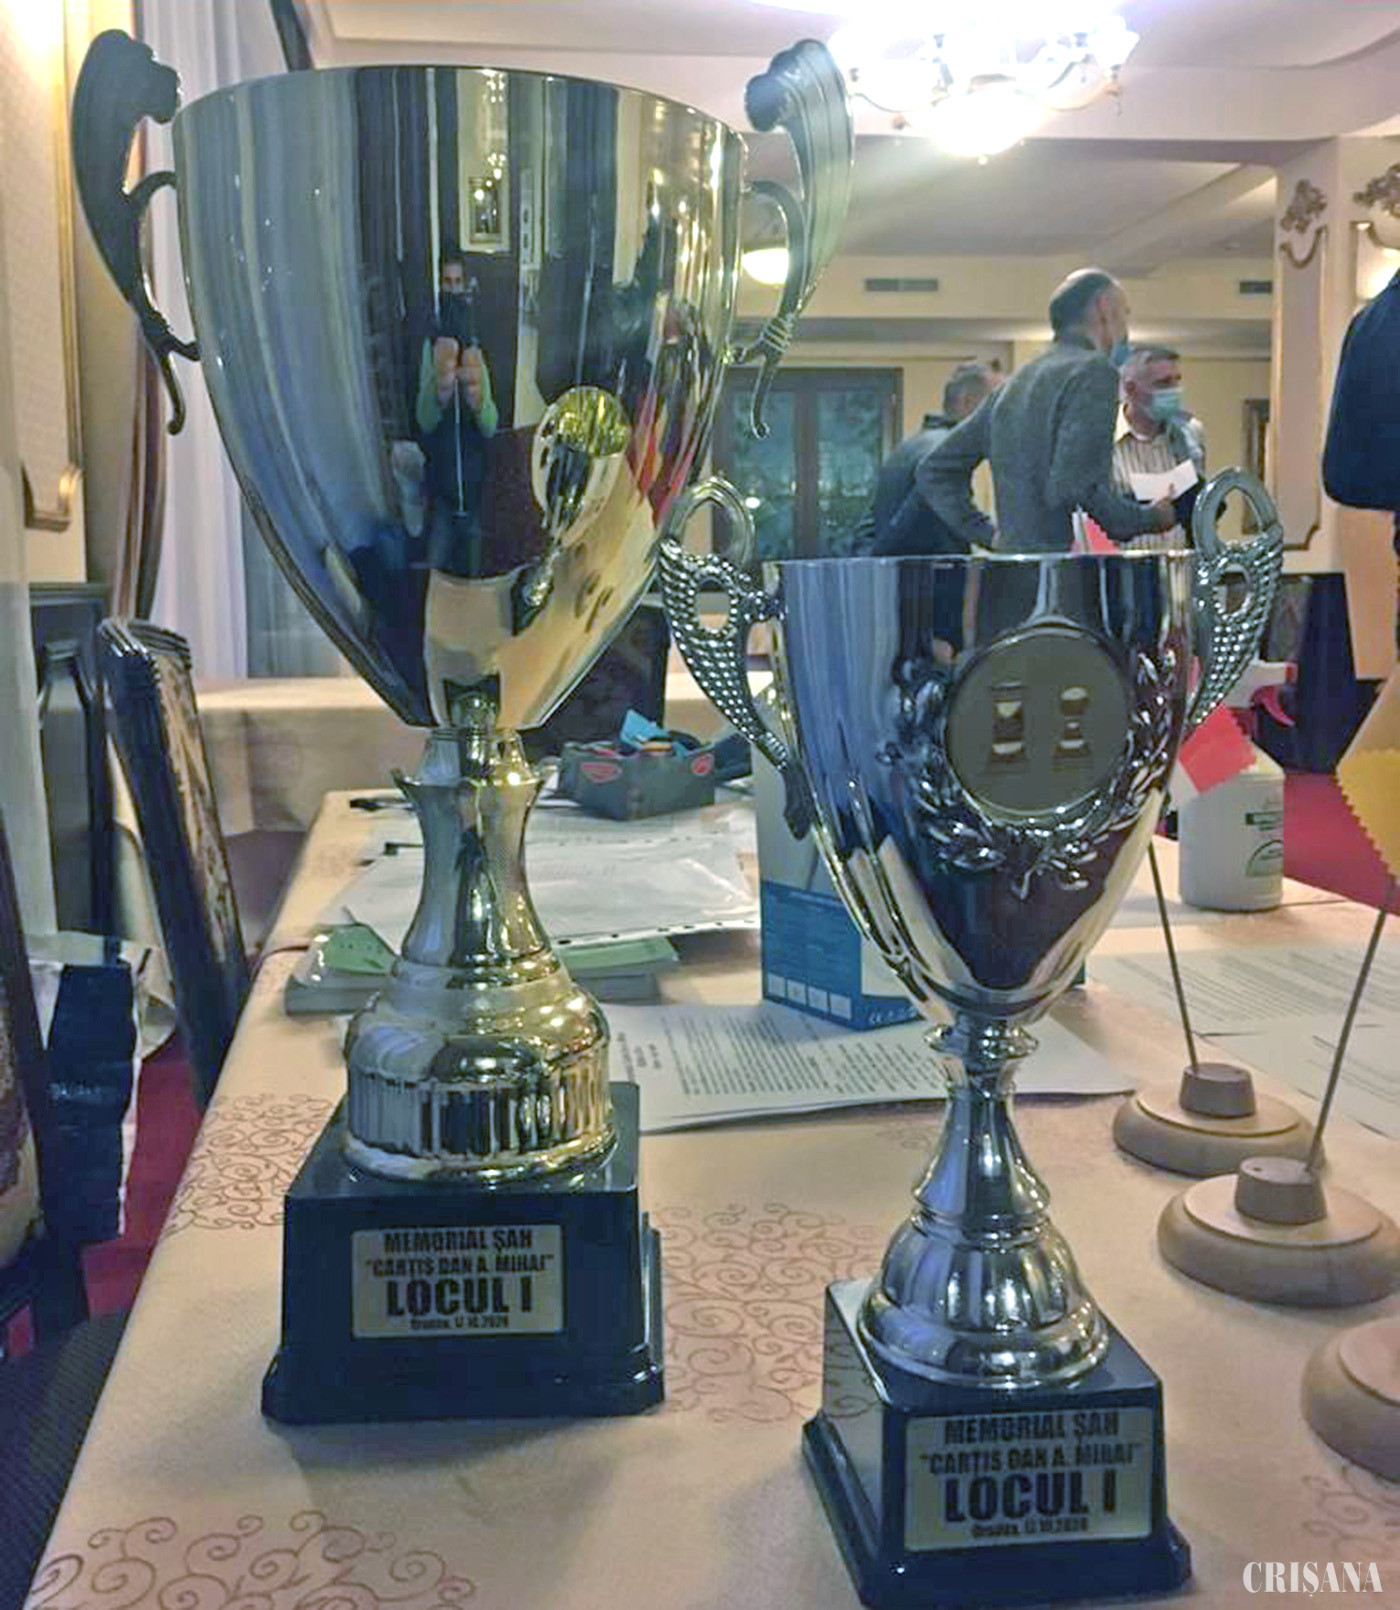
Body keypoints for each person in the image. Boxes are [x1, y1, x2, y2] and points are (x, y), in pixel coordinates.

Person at [910, 268, 1177, 554]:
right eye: (1124, 313)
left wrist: (990, 535)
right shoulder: (1094, 371)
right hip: (1064, 569)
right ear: (1104, 307)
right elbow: (1076, 486)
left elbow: (935, 470)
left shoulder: (1014, 384)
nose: (1126, 328)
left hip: (1013, 568)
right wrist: (1151, 518)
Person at [416, 250, 499, 575]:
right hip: (442, 490)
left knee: (474, 576)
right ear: (439, 287)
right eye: (446, 282)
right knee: (434, 574)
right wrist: (439, 394)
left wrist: (479, 403)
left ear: (466, 286)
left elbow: (491, 425)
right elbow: (424, 421)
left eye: (457, 282)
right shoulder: (430, 347)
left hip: (475, 489)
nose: (452, 289)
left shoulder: (477, 346)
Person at [867, 363, 1000, 555]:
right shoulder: (943, 457)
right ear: (968, 401)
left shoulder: (908, 447)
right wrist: (996, 539)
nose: (1003, 414)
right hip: (930, 569)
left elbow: (872, 529)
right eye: (996, 404)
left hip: (900, 569)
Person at [1113, 345, 1207, 549]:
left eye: (1176, 381)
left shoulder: (1190, 435)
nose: (1174, 391)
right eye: (1163, 384)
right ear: (1130, 388)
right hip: (1125, 563)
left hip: (1181, 563)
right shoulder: (1105, 441)